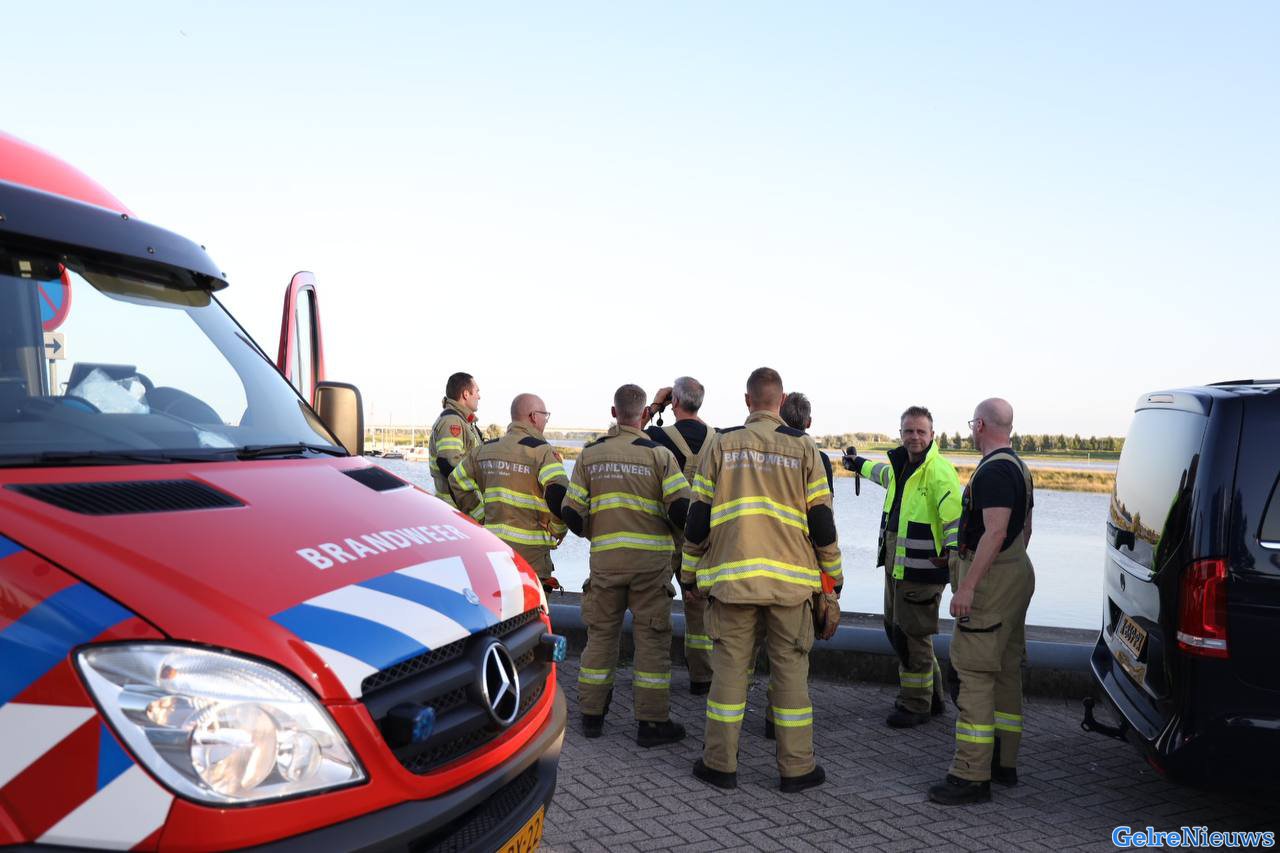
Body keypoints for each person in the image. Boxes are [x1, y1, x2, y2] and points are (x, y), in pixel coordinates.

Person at [682, 367, 842, 793]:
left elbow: (698, 514)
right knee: (790, 673)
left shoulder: (721, 442)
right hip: (790, 587)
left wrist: (688, 570)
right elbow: (821, 521)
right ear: (781, 398)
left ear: (748, 400)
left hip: (732, 583)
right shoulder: (804, 447)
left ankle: (719, 764)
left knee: (730, 673)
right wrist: (834, 580)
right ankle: (796, 769)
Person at [561, 384, 692, 746]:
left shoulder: (590, 455)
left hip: (605, 564)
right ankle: (651, 724)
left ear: (614, 413)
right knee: (651, 642)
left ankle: (591, 716)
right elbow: (682, 510)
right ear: (641, 415)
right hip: (650, 567)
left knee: (600, 637)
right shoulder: (659, 455)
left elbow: (572, 512)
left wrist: (595, 532)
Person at [928, 398, 1035, 805]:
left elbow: (995, 531)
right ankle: (1003, 763)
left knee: (973, 674)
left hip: (990, 585)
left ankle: (970, 776)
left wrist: (968, 585)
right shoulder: (1021, 469)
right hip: (1016, 576)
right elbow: (1023, 531)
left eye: (974, 423)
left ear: (982, 425)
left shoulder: (992, 472)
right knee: (1006, 671)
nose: (972, 429)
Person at [843, 406, 961, 727]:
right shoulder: (900, 467)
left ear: (932, 435)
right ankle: (933, 698)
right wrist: (856, 464)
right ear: (901, 434)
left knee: (913, 638)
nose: (915, 437)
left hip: (923, 570)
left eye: (921, 431)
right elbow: (880, 475)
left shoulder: (940, 472)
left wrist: (953, 562)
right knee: (898, 632)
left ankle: (916, 705)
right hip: (897, 567)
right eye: (909, 431)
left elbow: (954, 522)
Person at [448, 394, 569, 589]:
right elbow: (558, 493)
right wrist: (558, 530)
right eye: (545, 415)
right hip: (531, 558)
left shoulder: (485, 449)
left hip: (492, 552)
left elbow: (456, 480)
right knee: (531, 612)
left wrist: (481, 517)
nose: (545, 420)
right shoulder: (542, 452)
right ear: (533, 416)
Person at [642, 376, 716, 694]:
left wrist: (654, 407)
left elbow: (626, 438)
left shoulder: (657, 435)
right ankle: (702, 678)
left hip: (665, 534)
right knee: (699, 607)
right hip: (706, 536)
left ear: (675, 402)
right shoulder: (719, 438)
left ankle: (654, 676)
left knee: (656, 604)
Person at [428, 372, 484, 510]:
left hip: (462, 506)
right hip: (456, 508)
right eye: (476, 391)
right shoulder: (452, 422)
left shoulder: (463, 421)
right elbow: (449, 465)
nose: (479, 396)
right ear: (466, 394)